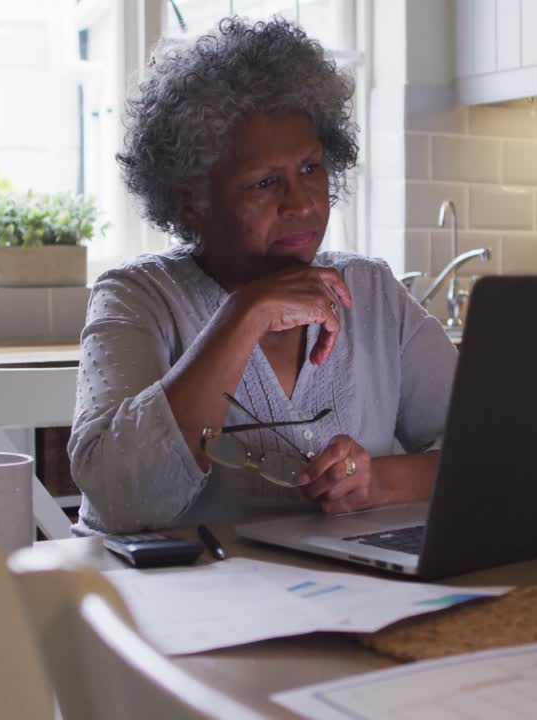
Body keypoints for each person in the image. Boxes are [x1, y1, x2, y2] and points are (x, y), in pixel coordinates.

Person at [68, 17, 457, 535]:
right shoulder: (137, 297)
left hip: (337, 594)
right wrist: (243, 316)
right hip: (164, 599)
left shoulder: (371, 291)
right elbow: (121, 499)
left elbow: (493, 447)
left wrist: (379, 481)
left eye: (311, 169)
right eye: (265, 182)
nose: (300, 203)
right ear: (193, 203)